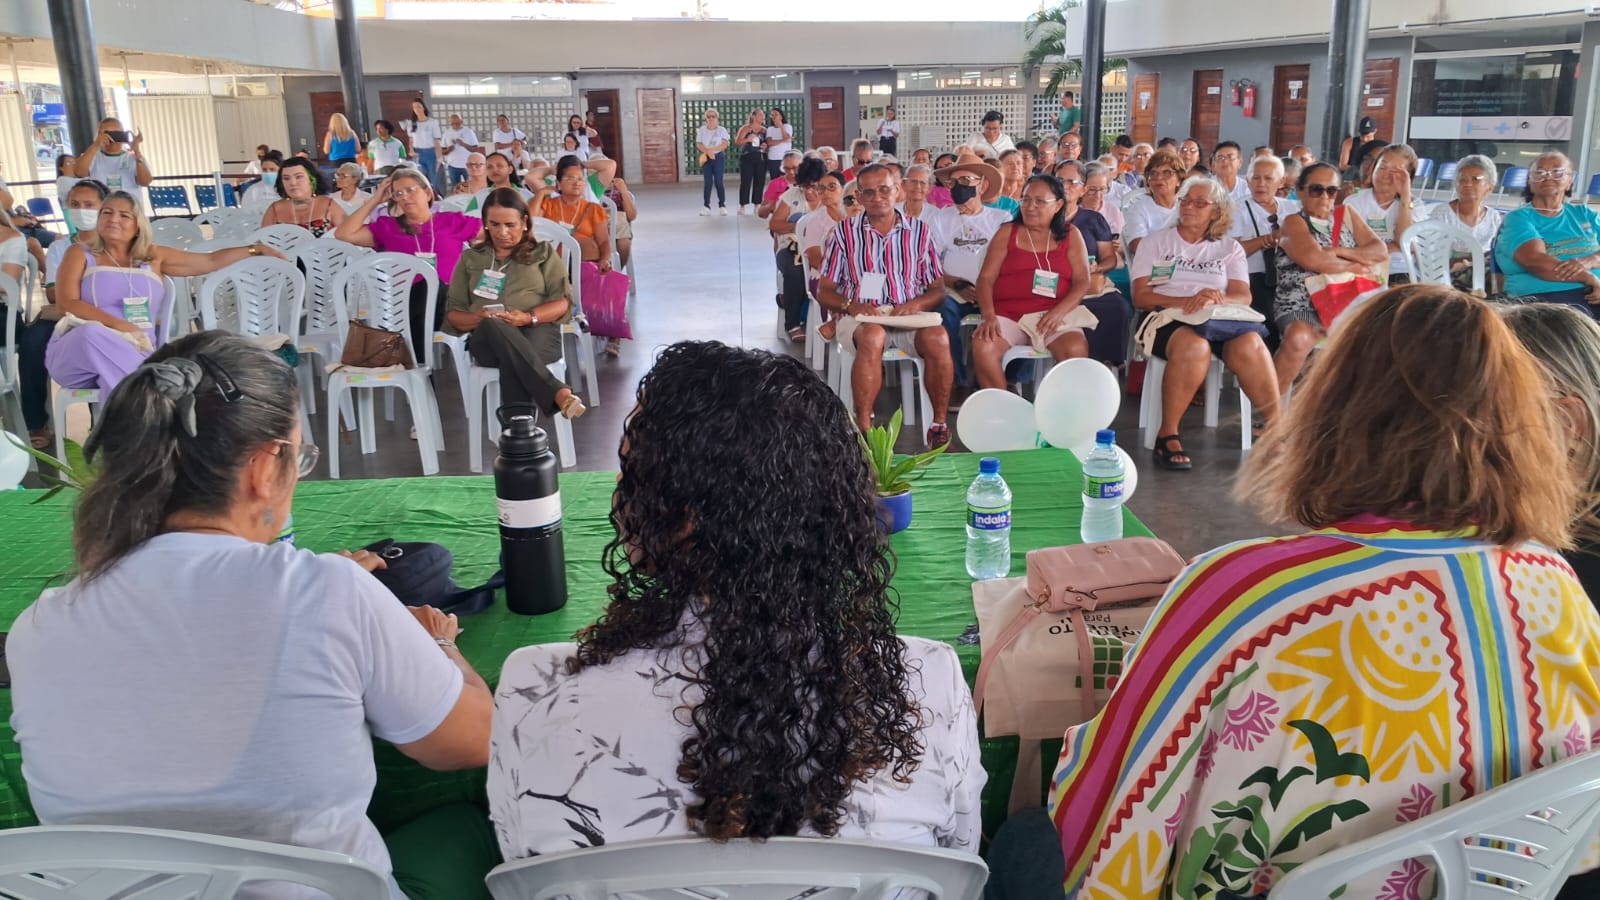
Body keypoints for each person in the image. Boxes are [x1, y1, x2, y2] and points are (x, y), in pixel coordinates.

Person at [1031, 284, 1600, 900]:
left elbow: (1112, 810)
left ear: (1330, 412)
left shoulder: (1244, 592)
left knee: (1024, 840)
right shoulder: (1552, 582)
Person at [12, 331, 500, 900]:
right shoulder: (328, 593)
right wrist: (439, 644)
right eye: (300, 455)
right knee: (477, 824)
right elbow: (473, 742)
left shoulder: (39, 627)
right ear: (265, 468)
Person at [489, 340, 983, 861]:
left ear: (684, 518)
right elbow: (961, 855)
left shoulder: (533, 692)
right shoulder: (932, 686)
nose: (617, 484)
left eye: (631, 470)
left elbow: (516, 858)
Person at [47, 191, 286, 395]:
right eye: (107, 213)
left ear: (138, 224)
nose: (113, 219)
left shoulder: (154, 256)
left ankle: (139, 422)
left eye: (124, 215)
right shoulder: (79, 253)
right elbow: (67, 304)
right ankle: (157, 394)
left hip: (136, 353)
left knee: (120, 381)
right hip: (79, 355)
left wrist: (254, 249)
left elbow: (210, 260)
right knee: (92, 332)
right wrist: (121, 326)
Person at [1131, 176, 1281, 470]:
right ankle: (1168, 433)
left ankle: (1279, 430)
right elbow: (1142, 296)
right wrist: (1186, 303)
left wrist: (1213, 299)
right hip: (1166, 315)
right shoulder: (1156, 242)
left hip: (1217, 318)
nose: (1189, 207)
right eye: (1186, 200)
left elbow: (1242, 295)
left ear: (1216, 212)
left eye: (1200, 203)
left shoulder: (1229, 249)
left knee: (1251, 343)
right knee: (1194, 345)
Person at [817, 165, 954, 444]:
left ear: (897, 191)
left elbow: (938, 289)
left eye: (884, 189)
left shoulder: (919, 232)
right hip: (862, 318)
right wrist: (851, 305)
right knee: (873, 335)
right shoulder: (844, 233)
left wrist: (916, 304)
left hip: (907, 316)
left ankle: (938, 424)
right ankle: (865, 429)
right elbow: (825, 291)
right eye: (868, 192)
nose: (877, 196)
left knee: (939, 337)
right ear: (859, 196)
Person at [444, 187, 584, 421]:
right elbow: (453, 315)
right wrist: (478, 318)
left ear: (524, 222)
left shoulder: (543, 253)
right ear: (485, 223)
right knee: (494, 325)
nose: (502, 232)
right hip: (486, 338)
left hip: (538, 331)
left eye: (510, 225)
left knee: (514, 357)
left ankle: (517, 433)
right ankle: (557, 392)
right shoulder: (471, 258)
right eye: (494, 224)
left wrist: (528, 318)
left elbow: (563, 302)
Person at [335, 168, 483, 358]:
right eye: (398, 194)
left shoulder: (451, 222)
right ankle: (422, 365)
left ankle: (418, 364)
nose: (405, 197)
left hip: (449, 305)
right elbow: (343, 234)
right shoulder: (388, 227)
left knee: (434, 284)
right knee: (426, 285)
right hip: (403, 303)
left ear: (427, 193)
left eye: (410, 190)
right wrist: (375, 200)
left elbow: (495, 234)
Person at [1270, 161, 1387, 398]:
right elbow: (1313, 260)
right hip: (1302, 303)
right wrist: (1356, 265)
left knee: (1384, 338)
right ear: (1301, 192)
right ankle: (1271, 414)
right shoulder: (1294, 222)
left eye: (1331, 190)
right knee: (1300, 337)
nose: (1325, 196)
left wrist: (1338, 252)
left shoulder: (1346, 214)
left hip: (1347, 301)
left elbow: (1379, 251)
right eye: (1316, 189)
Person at [971, 174, 1091, 389]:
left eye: (1039, 201)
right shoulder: (1007, 232)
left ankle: (1065, 416)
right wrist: (988, 317)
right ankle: (1004, 410)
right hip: (1008, 315)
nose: (1030, 207)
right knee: (983, 346)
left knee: (1075, 349)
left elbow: (1082, 281)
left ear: (1058, 205)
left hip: (1053, 313)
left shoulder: (1072, 235)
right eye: (1025, 200)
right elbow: (985, 279)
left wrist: (1058, 312)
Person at [933, 153, 1009, 386]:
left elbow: (1008, 259)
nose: (959, 187)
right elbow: (929, 262)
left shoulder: (1000, 218)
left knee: (1020, 311)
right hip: (953, 289)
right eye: (954, 182)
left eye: (966, 181)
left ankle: (1009, 376)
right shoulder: (940, 218)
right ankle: (955, 380)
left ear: (982, 185)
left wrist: (988, 286)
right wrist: (954, 282)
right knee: (941, 311)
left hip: (995, 290)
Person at [1496, 150, 1600, 311]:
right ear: (1530, 181)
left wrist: (1591, 260)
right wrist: (1587, 277)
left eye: (1557, 172)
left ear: (1570, 181)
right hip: (1547, 295)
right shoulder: (1519, 218)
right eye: (1539, 172)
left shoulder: (1585, 214)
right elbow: (1535, 261)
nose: (1548, 176)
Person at [1058, 159, 1129, 364]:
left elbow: (1110, 258)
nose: (1065, 187)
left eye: (1072, 182)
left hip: (1088, 283)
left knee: (1117, 307)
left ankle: (1102, 367)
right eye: (1060, 180)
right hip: (1051, 284)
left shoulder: (1093, 220)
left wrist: (1098, 267)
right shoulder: (1042, 216)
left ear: (1082, 189)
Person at [1227, 155, 1300, 344]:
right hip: (1253, 280)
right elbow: (1230, 252)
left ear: (1281, 181)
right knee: (1269, 328)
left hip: (1290, 277)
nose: (1261, 184)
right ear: (1247, 180)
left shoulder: (1293, 207)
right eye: (1255, 178)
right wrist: (1266, 240)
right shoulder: (1236, 209)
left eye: (1268, 178)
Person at [1423, 153, 1501, 292]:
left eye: (1476, 179)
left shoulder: (1493, 217)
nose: (1468, 184)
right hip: (1448, 277)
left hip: (1483, 276)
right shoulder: (1442, 213)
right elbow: (1433, 258)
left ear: (1490, 186)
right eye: (1462, 180)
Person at [1344, 142, 1419, 284]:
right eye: (1382, 167)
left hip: (1400, 271)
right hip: (1362, 271)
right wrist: (1393, 247)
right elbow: (1350, 247)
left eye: (1395, 172)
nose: (1385, 175)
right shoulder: (1353, 202)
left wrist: (1405, 196)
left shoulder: (1415, 205)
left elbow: (1405, 243)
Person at [534, 156, 613, 275]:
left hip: (586, 267)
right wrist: (540, 193)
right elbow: (530, 223)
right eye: (570, 178)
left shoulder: (594, 209)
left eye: (581, 179)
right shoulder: (548, 205)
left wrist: (604, 260)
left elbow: (604, 242)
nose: (577, 183)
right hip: (551, 267)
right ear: (558, 184)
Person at [1123, 147, 1185, 256]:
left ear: (1179, 180)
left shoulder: (1187, 207)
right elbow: (1136, 245)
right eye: (1153, 173)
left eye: (1167, 173)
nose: (1159, 177)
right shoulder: (1138, 208)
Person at [72, 117, 152, 202]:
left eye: (116, 133)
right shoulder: (92, 155)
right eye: (107, 133)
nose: (111, 137)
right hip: (102, 210)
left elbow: (145, 182)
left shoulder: (133, 157)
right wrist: (96, 144)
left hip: (130, 210)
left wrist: (137, 152)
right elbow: (79, 172)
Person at [260, 157, 340, 236]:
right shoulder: (275, 209)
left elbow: (348, 238)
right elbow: (262, 240)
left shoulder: (329, 205)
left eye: (299, 177)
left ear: (312, 179)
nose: (293, 183)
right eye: (286, 178)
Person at [695, 108, 730, 216]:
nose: (711, 118)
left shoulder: (722, 130)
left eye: (713, 116)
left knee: (719, 182)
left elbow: (724, 144)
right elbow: (699, 143)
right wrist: (707, 152)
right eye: (708, 116)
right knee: (708, 183)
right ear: (705, 118)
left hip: (718, 157)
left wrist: (713, 151)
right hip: (707, 158)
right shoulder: (702, 130)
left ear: (717, 118)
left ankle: (722, 206)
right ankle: (706, 206)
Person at [403, 99, 443, 189]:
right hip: (418, 153)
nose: (417, 109)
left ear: (423, 108)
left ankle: (434, 197)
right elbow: (411, 139)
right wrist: (411, 150)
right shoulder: (411, 123)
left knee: (434, 178)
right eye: (414, 107)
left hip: (430, 152)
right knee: (419, 178)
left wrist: (439, 157)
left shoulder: (432, 122)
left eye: (419, 107)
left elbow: (437, 140)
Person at [735, 108, 768, 214]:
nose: (762, 117)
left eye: (763, 115)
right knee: (746, 181)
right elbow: (737, 142)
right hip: (747, 157)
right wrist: (747, 140)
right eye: (760, 115)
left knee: (760, 181)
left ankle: (757, 204)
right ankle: (742, 205)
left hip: (760, 157)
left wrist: (765, 146)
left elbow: (767, 143)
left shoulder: (764, 130)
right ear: (753, 117)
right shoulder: (746, 128)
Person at [1079, 163, 1124, 237]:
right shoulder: (1073, 210)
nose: (1098, 195)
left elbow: (1123, 238)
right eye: (1092, 189)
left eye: (1102, 189)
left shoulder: (1113, 211)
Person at [442, 113, 480, 189]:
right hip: (452, 165)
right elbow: (442, 151)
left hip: (468, 165)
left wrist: (464, 144)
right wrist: (448, 150)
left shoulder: (468, 132)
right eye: (452, 123)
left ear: (461, 122)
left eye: (457, 123)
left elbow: (476, 149)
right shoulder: (446, 133)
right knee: (455, 188)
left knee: (471, 187)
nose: (455, 125)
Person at [990, 149, 1026, 215]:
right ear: (1000, 167)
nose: (1015, 167)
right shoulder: (991, 192)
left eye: (1018, 163)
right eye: (1010, 163)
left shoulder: (1027, 191)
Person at [765, 107, 794, 180]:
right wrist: (783, 140)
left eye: (776, 114)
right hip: (773, 158)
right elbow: (769, 142)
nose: (774, 116)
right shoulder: (770, 129)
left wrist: (780, 125)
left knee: (786, 180)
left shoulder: (787, 126)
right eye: (772, 115)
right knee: (774, 180)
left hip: (784, 158)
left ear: (781, 116)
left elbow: (786, 136)